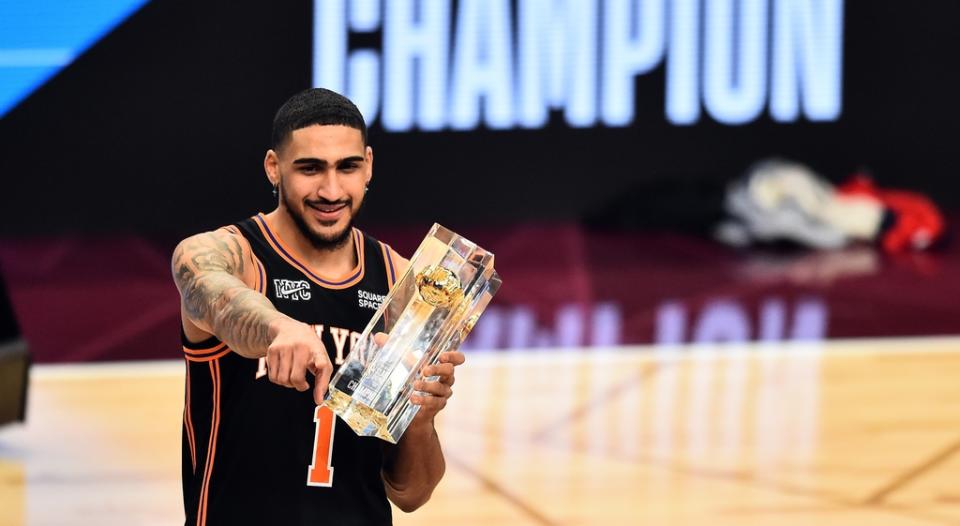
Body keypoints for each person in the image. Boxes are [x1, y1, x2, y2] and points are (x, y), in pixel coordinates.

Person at [171, 88, 463, 525]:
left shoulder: (399, 282)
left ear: (368, 166)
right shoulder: (233, 255)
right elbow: (205, 288)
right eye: (310, 169)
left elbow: (411, 493)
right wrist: (277, 328)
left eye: (347, 167)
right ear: (274, 168)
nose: (331, 189)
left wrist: (419, 418)